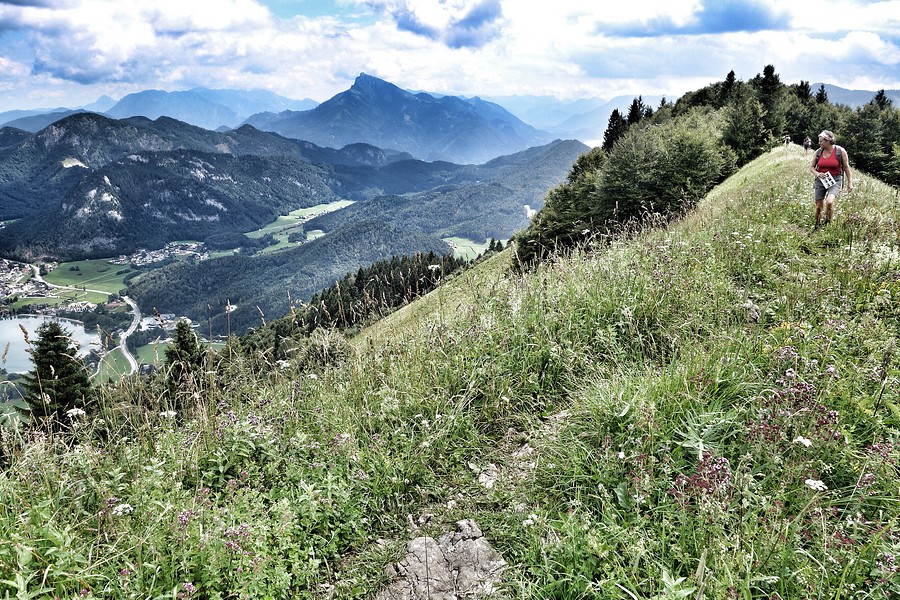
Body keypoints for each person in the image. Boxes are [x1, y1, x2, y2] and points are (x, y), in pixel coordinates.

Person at [810, 130, 853, 228]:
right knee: (818, 206)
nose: (819, 143)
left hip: (835, 180)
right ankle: (817, 225)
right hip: (820, 180)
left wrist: (850, 182)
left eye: (821, 141)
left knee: (829, 202)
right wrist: (818, 174)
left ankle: (827, 223)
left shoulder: (840, 151)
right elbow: (811, 167)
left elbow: (846, 167)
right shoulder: (818, 152)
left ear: (828, 140)